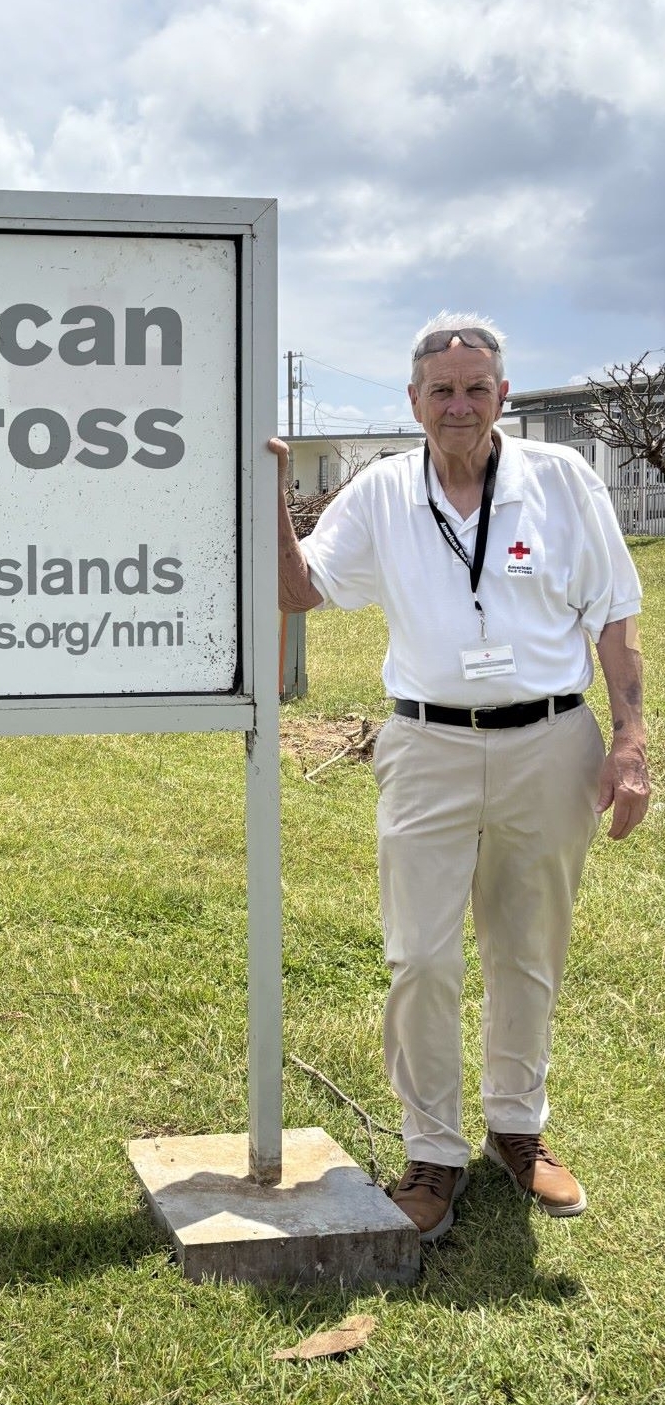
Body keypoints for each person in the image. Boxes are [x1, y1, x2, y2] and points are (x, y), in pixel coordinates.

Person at [273, 312, 649, 1243]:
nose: (458, 404)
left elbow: (615, 615)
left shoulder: (563, 481)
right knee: (422, 956)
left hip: (550, 740)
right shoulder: (380, 494)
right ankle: (431, 1152)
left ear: (503, 397)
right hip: (427, 745)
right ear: (413, 401)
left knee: (528, 948)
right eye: (441, 390)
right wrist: (270, 490)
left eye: (476, 388)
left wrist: (632, 736)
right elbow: (299, 590)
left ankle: (517, 1133)